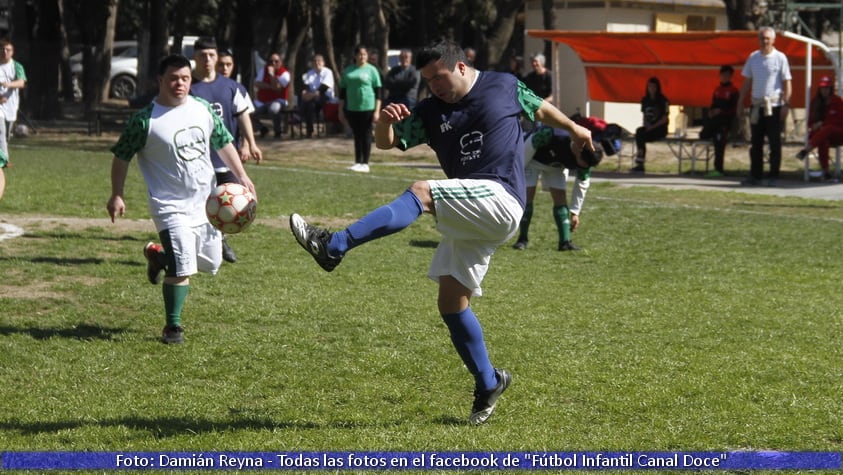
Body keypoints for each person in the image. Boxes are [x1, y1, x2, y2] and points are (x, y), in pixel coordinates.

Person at [289, 40, 593, 425]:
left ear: (462, 67)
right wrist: (384, 123)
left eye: (440, 77)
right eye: (428, 80)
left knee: (422, 191)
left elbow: (539, 107)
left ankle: (334, 244)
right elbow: (389, 143)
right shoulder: (430, 111)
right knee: (451, 303)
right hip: (472, 207)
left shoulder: (503, 84)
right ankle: (488, 382)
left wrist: (574, 127)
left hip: (501, 199)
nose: (434, 86)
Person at [107, 54, 256, 344]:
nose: (180, 84)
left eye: (185, 78)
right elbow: (121, 156)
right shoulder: (144, 120)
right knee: (182, 266)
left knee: (209, 264)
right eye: (174, 78)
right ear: (160, 81)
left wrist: (242, 176)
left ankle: (159, 256)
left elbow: (223, 141)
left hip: (206, 204)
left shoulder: (201, 108)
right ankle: (172, 327)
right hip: (168, 205)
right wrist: (117, 193)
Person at [190, 37, 261, 264]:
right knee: (199, 204)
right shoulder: (187, 86)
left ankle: (220, 240)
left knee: (229, 203)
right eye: (203, 55)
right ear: (195, 57)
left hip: (225, 158)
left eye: (212, 55)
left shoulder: (230, 87)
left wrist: (250, 142)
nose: (208, 59)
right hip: (198, 160)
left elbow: (243, 115)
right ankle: (201, 244)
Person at [512, 126, 602, 251]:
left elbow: (582, 183)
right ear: (578, 150)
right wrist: (517, 173)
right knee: (527, 196)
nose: (583, 167)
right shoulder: (551, 135)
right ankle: (522, 239)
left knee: (560, 199)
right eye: (582, 163)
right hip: (532, 160)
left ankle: (565, 242)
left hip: (556, 167)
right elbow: (528, 145)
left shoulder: (587, 157)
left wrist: (575, 212)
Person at [737, 26, 792, 187]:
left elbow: (787, 82)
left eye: (768, 38)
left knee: (774, 142)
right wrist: (741, 102)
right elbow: (747, 81)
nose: (765, 41)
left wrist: (786, 104)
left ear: (773, 40)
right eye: (762, 38)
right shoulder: (753, 57)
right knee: (756, 143)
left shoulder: (780, 57)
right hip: (757, 105)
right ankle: (756, 175)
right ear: (758, 40)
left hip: (773, 105)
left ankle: (773, 175)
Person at [338, 45, 382, 173]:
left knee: (366, 134)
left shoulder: (372, 70)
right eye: (360, 54)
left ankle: (365, 163)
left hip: (368, 106)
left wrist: (377, 110)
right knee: (357, 135)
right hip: (353, 107)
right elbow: (342, 92)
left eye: (364, 54)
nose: (362, 57)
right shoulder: (348, 71)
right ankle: (357, 162)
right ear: (355, 56)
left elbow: (378, 91)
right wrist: (340, 109)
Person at [216, 48, 262, 163]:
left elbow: (245, 118)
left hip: (231, 148)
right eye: (221, 64)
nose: (225, 69)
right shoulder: (200, 87)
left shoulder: (238, 89)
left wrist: (246, 145)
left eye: (228, 64)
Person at [796, 75, 843, 180]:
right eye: (822, 88)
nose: (824, 91)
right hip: (819, 135)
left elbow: (840, 121)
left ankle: (806, 150)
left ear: (831, 89)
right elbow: (810, 124)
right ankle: (826, 172)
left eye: (826, 88)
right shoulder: (815, 103)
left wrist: (823, 124)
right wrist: (816, 126)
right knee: (823, 140)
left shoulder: (838, 101)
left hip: (837, 133)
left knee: (828, 128)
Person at [699, 65, 740, 178]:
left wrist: (721, 111)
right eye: (722, 75)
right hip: (714, 121)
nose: (724, 77)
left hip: (725, 123)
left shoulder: (733, 91)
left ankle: (718, 169)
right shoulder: (717, 90)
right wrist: (711, 112)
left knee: (719, 142)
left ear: (730, 76)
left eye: (727, 75)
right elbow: (713, 105)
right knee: (703, 135)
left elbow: (733, 109)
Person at [0, 39, 27, 201]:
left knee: (6, 134)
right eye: (2, 49)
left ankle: (3, 157)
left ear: (12, 51)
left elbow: (22, 82)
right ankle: (4, 160)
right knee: (0, 131)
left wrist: (8, 85)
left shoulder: (16, 66)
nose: (4, 52)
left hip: (11, 107)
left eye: (8, 49)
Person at [630, 77, 669, 173]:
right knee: (639, 132)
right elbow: (644, 115)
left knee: (641, 135)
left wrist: (652, 127)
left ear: (657, 88)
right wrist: (646, 125)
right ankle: (640, 162)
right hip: (649, 128)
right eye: (649, 86)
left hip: (660, 128)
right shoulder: (645, 100)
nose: (651, 89)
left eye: (653, 87)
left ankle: (640, 162)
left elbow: (665, 119)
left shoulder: (664, 100)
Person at [254, 52, 291, 139]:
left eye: (276, 61)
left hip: (279, 101)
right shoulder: (264, 70)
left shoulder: (285, 74)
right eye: (271, 61)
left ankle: (278, 132)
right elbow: (257, 83)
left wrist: (271, 75)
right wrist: (270, 86)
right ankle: (263, 129)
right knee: (249, 113)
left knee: (273, 109)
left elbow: (277, 88)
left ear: (280, 62)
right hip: (263, 101)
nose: (273, 63)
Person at [299, 54, 335, 138]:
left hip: (325, 96)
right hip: (312, 98)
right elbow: (306, 85)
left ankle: (300, 116)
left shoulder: (328, 72)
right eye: (315, 61)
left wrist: (311, 95)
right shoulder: (310, 73)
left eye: (319, 61)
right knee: (309, 104)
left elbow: (323, 88)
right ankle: (309, 130)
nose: (317, 63)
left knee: (309, 102)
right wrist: (304, 93)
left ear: (323, 63)